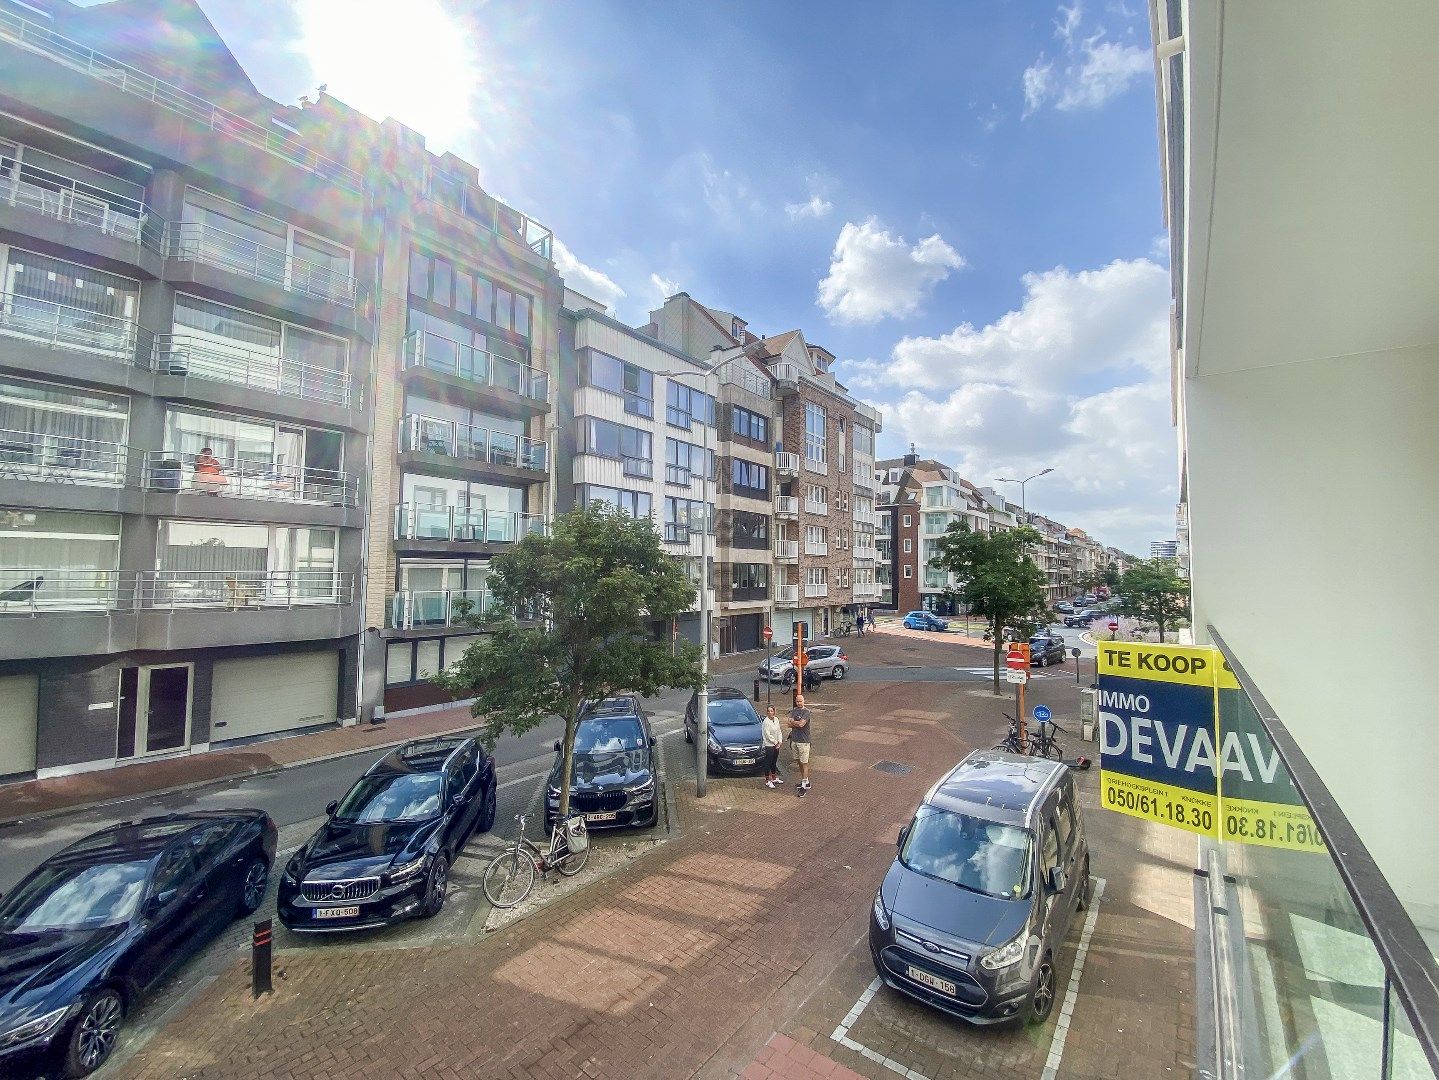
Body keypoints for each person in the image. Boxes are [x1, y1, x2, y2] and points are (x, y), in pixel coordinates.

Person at [788, 693, 811, 797]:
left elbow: (802, 724)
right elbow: (788, 724)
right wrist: (796, 723)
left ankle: (804, 786)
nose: (799, 703)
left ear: (804, 701)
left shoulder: (807, 712)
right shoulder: (794, 711)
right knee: (799, 762)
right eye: (797, 701)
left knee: (804, 763)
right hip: (795, 740)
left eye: (800, 701)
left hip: (804, 741)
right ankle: (805, 781)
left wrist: (794, 722)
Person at [761, 704, 784, 789]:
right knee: (768, 762)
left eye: (772, 711)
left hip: (776, 745)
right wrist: (775, 742)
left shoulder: (776, 719)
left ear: (774, 711)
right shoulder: (766, 722)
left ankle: (774, 778)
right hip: (769, 745)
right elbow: (767, 735)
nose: (770, 713)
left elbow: (779, 731)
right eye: (768, 711)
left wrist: (780, 741)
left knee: (774, 761)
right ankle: (767, 780)